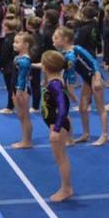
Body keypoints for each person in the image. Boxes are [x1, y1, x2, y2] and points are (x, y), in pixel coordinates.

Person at [40, 50, 75, 203]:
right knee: (60, 158)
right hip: (57, 124)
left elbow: (63, 107)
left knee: (61, 159)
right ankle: (65, 187)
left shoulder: (55, 85)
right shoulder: (55, 80)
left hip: (57, 125)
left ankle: (66, 189)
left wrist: (56, 129)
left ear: (45, 67)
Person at [11, 32, 34, 149]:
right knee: (21, 116)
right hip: (17, 89)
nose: (14, 44)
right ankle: (24, 139)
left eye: (17, 42)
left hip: (22, 90)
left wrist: (19, 92)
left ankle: (27, 141)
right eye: (14, 41)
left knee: (25, 116)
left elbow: (22, 78)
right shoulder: (18, 58)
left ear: (26, 45)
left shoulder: (24, 61)